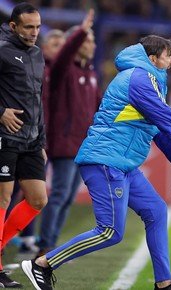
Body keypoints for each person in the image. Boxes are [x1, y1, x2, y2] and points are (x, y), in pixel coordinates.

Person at [21, 35, 171, 290]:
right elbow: (168, 121)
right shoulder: (138, 79)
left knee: (156, 212)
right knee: (110, 232)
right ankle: (42, 264)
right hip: (106, 162)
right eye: (168, 56)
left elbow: (157, 128)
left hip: (123, 164)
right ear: (153, 59)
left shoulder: (149, 81)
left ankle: (164, 284)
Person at [36, 9, 102, 257]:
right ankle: (45, 245)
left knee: (66, 199)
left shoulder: (91, 74)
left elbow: (99, 108)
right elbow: (63, 56)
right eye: (87, 40)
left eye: (93, 40)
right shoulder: (64, 70)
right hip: (64, 143)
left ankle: (49, 244)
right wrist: (81, 30)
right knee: (59, 195)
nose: (91, 45)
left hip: (84, 147)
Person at [0, 2, 47, 288]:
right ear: (14, 26)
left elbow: (36, 100)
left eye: (38, 27)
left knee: (38, 199)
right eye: (28, 27)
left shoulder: (38, 54)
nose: (34, 32)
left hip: (31, 140)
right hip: (5, 136)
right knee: (3, 200)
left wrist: (40, 139)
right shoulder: (2, 50)